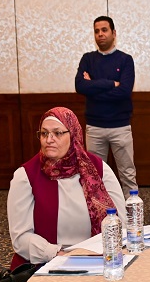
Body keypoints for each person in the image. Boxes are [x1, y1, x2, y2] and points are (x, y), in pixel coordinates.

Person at [7, 107, 126, 271]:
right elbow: (20, 238)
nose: (49, 139)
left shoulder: (98, 169)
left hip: (98, 261)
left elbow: (121, 222)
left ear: (73, 135)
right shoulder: (26, 176)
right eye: (44, 133)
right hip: (46, 265)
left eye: (57, 133)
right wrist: (57, 255)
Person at [75, 15, 137, 198]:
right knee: (94, 175)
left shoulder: (125, 60)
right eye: (96, 31)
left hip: (120, 127)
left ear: (113, 33)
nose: (100, 34)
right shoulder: (87, 59)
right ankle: (98, 210)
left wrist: (93, 87)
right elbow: (80, 86)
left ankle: (130, 210)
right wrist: (111, 84)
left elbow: (124, 92)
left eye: (104, 30)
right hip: (94, 128)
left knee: (127, 174)